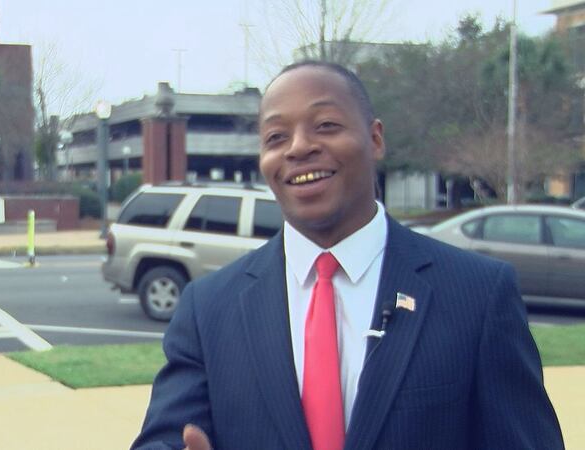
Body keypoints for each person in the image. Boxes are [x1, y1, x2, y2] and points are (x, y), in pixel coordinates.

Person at [131, 61, 563, 450]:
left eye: (326, 125)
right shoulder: (209, 308)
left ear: (375, 139)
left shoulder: (478, 296)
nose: (298, 147)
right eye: (276, 136)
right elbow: (163, 439)